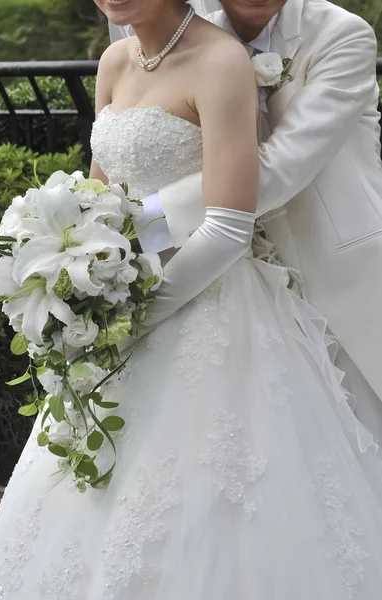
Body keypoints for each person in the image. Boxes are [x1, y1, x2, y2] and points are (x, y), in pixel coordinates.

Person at [0, 1, 382, 598]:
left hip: (313, 260)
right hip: (173, 272)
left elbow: (269, 173)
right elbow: (100, 184)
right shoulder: (131, 53)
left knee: (333, 451)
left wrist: (129, 281)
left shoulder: (334, 38)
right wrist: (77, 255)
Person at [109, 0, 382, 442]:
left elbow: (278, 168)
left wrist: (141, 222)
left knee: (363, 441)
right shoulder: (195, 38)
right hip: (236, 284)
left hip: (337, 270)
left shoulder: (341, 34)